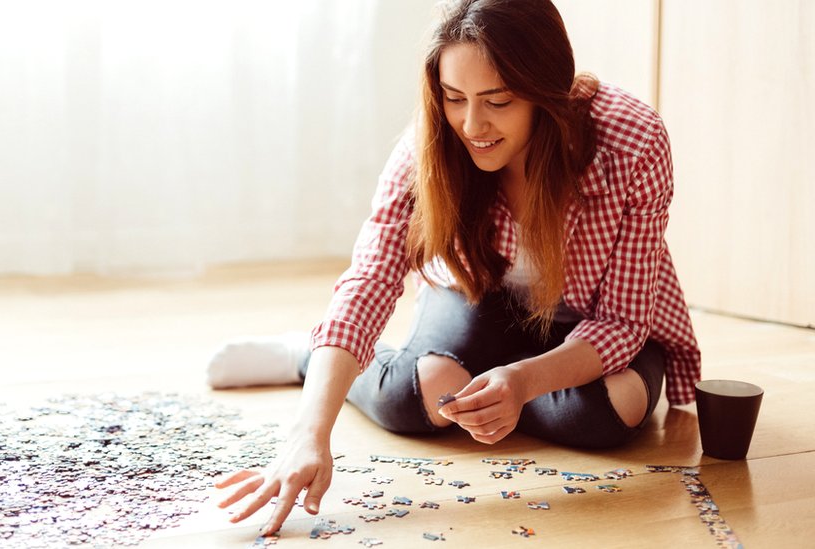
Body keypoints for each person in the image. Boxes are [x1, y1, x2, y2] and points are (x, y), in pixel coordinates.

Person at [207, 0, 701, 537]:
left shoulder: (632, 141)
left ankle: (498, 385)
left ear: (547, 92)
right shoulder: (431, 142)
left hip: (587, 316)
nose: (472, 124)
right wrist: (309, 432)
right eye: (454, 98)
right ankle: (308, 356)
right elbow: (370, 278)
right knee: (429, 391)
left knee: (612, 411)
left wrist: (523, 379)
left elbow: (624, 322)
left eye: (498, 101)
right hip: (477, 294)